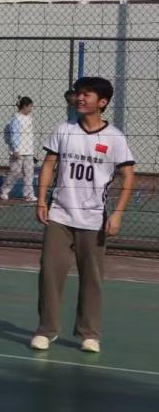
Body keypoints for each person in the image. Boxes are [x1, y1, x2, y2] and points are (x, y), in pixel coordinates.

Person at [30, 76, 135, 354]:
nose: (79, 98)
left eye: (87, 94)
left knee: (91, 277)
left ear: (102, 102)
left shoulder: (115, 138)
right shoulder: (64, 129)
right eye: (78, 93)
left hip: (93, 219)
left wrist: (118, 214)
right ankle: (46, 330)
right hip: (60, 215)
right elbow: (49, 164)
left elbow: (128, 176)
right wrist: (41, 200)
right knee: (50, 273)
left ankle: (90, 333)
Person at [1, 96, 37, 202]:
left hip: (29, 150)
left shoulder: (29, 118)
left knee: (29, 174)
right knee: (15, 172)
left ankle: (28, 194)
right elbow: (14, 135)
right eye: (30, 106)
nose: (31, 109)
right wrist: (16, 150)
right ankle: (4, 190)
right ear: (24, 106)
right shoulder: (16, 119)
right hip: (18, 151)